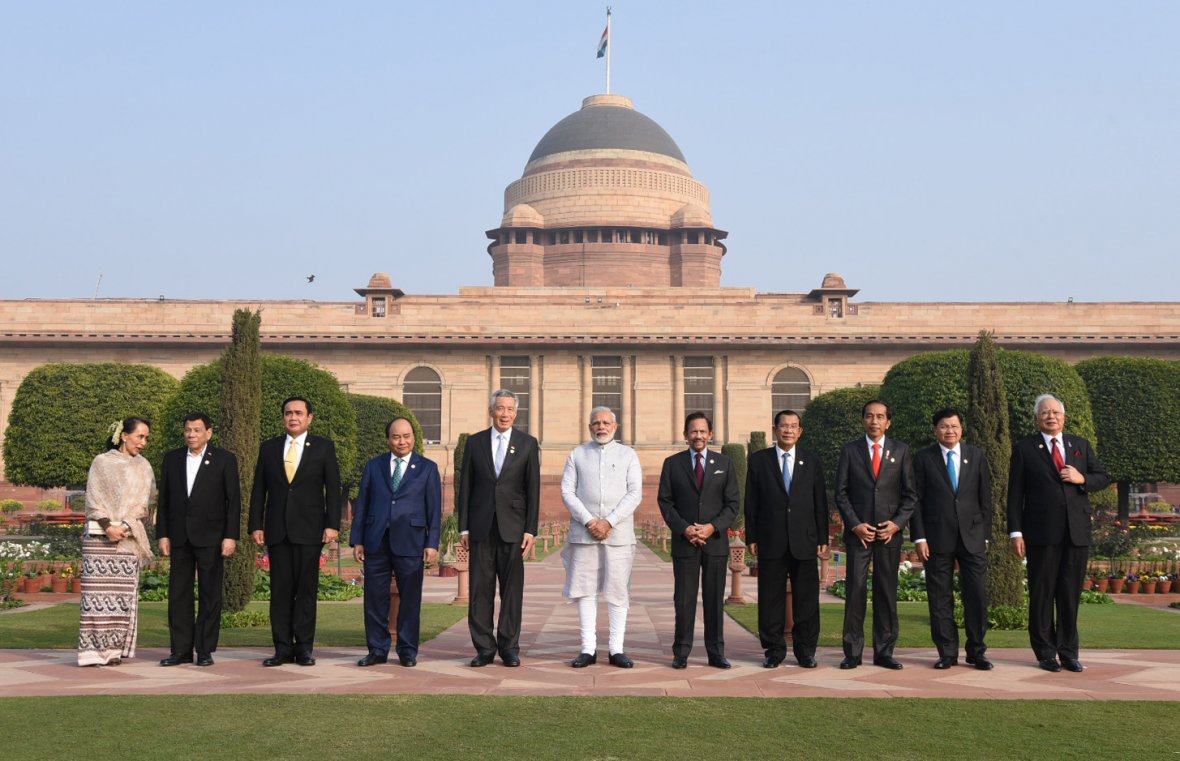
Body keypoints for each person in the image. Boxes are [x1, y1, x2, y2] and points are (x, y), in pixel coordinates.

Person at [1008, 394, 1109, 673]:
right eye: (1045, 413)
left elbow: (1102, 477)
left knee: (1069, 595)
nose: (1051, 416)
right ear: (1036, 418)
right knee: (1042, 594)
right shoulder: (1025, 448)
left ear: (1064, 417)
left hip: (1076, 534)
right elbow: (1015, 495)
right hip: (1041, 534)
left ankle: (1068, 652)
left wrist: (1082, 479)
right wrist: (1015, 532)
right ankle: (1045, 653)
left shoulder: (1080, 445)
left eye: (1055, 412)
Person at [249, 396, 343, 667]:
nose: (293, 417)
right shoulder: (269, 448)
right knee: (279, 592)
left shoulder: (324, 448)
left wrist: (332, 524)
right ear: (283, 417)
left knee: (305, 591)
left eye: (299, 413)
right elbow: (259, 490)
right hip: (277, 531)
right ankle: (281, 648)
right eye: (288, 413)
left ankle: (303, 648)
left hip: (310, 530)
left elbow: (332, 489)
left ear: (309, 417)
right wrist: (256, 524)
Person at [458, 389, 540, 667]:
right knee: (480, 591)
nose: (505, 414)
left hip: (513, 529)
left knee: (512, 591)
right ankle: (483, 648)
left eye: (510, 409)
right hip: (481, 528)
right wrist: (463, 529)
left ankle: (509, 647)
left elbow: (533, 489)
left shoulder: (527, 443)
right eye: (500, 408)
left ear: (516, 413)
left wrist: (531, 530)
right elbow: (465, 487)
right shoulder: (475, 442)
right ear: (491, 411)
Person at [350, 417, 441, 667]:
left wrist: (432, 542)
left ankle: (407, 650)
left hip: (411, 541)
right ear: (388, 439)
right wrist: (357, 539)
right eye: (396, 436)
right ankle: (377, 649)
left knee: (410, 599)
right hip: (376, 540)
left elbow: (434, 510)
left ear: (414, 437)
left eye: (406, 436)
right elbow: (363, 504)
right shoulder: (374, 466)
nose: (402, 441)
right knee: (374, 598)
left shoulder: (427, 468)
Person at [834, 399, 918, 670]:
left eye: (880, 417)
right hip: (859, 534)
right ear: (863, 420)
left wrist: (896, 524)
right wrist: (855, 524)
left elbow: (910, 496)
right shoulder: (850, 451)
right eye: (869, 416)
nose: (874, 421)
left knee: (886, 592)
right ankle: (852, 652)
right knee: (855, 592)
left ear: (888, 422)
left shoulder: (902, 451)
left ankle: (884, 651)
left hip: (888, 534)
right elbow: (841, 493)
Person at [745, 409, 829, 669]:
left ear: (800, 431)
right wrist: (753, 536)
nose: (789, 430)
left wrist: (823, 536)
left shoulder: (811, 461)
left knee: (807, 599)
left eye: (794, 426)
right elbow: (752, 501)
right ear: (775, 429)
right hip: (771, 539)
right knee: (771, 598)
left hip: (805, 539)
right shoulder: (759, 461)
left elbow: (820, 502)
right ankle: (774, 650)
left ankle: (806, 651)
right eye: (784, 426)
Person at [560, 406, 643, 668]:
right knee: (585, 591)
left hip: (618, 534)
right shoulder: (577, 454)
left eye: (606, 423)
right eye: (596, 423)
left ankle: (616, 649)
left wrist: (608, 522)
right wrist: (589, 521)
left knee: (618, 591)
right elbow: (567, 492)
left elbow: (634, 493)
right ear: (589, 427)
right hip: (584, 533)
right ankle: (588, 649)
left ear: (615, 427)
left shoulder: (628, 454)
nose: (601, 427)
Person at [156, 412, 241, 667]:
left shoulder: (225, 460)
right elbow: (165, 500)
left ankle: (204, 649)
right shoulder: (171, 459)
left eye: (196, 430)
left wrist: (230, 536)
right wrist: (163, 534)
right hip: (179, 537)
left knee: (209, 594)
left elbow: (233, 501)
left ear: (209, 433)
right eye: (187, 430)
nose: (191, 434)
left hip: (212, 538)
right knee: (178, 594)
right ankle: (180, 650)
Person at [656, 412, 740, 669]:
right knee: (684, 600)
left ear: (710, 434)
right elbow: (666, 502)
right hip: (685, 543)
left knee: (714, 600)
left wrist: (711, 527)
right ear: (685, 435)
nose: (698, 436)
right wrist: (685, 529)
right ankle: (681, 652)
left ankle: (716, 652)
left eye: (703, 431)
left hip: (714, 542)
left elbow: (732, 504)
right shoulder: (673, 463)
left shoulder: (724, 463)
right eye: (693, 431)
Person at [912, 407, 993, 670]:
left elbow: (986, 499)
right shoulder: (923, 458)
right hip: (937, 538)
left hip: (973, 537)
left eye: (955, 426)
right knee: (939, 598)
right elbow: (916, 501)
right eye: (945, 426)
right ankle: (947, 652)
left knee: (977, 595)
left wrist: (986, 536)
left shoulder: (976, 456)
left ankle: (977, 651)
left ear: (962, 429)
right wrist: (919, 537)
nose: (950, 431)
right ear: (936, 430)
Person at [78, 417, 156, 666]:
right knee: (95, 599)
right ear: (124, 435)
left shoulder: (144, 467)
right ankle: (91, 653)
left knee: (121, 599)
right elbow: (93, 499)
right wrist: (107, 526)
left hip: (127, 540)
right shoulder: (101, 462)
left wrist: (123, 526)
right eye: (139, 436)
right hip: (99, 541)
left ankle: (113, 652)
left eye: (146, 438)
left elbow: (146, 504)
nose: (143, 443)